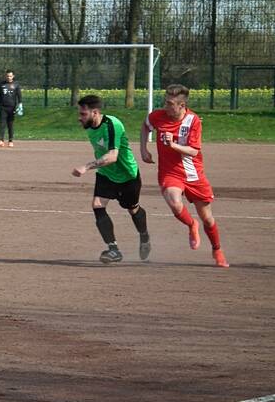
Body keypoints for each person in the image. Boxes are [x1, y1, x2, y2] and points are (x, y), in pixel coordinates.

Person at [140, 84, 229, 268]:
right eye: (165, 101)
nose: (166, 106)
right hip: (170, 172)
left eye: (170, 103)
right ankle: (191, 225)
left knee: (207, 218)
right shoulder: (157, 116)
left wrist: (173, 146)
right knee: (174, 200)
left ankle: (217, 249)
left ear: (181, 106)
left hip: (193, 174)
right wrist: (143, 149)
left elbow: (194, 151)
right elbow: (145, 126)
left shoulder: (193, 120)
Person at [72, 95, 151, 264]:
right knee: (97, 205)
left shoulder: (112, 125)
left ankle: (144, 236)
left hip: (127, 175)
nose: (80, 118)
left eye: (83, 114)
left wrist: (86, 167)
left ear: (95, 112)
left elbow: (113, 156)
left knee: (133, 209)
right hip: (106, 174)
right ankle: (113, 249)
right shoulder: (90, 126)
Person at [0, 69, 23, 148]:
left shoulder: (16, 85)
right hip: (3, 107)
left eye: (10, 76)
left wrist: (20, 105)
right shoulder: (1, 84)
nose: (9, 77)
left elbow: (19, 95)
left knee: (10, 124)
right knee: (2, 124)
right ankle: (1, 141)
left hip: (12, 108)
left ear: (13, 76)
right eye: (7, 76)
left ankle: (10, 141)